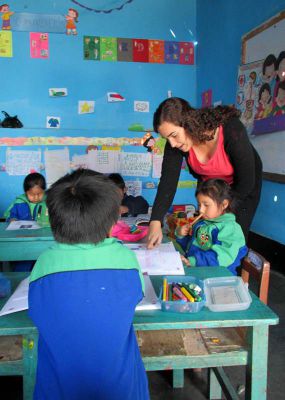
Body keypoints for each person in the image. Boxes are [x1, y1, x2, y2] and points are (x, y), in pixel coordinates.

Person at [28, 169, 149, 400]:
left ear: (54, 221)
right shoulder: (125, 260)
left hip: (58, 388)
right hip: (120, 388)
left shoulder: (43, 263)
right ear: (113, 221)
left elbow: (38, 308)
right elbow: (136, 295)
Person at [147, 97, 262, 248]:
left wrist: (223, 209)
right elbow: (168, 183)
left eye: (174, 135)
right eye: (166, 139)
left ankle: (229, 270)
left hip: (243, 189)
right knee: (204, 236)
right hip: (212, 190)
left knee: (231, 238)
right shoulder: (174, 145)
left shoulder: (231, 130)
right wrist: (155, 221)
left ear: (188, 123)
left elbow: (246, 182)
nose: (172, 144)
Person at [176, 179, 247, 275]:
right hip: (198, 272)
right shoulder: (203, 223)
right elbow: (191, 249)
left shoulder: (231, 229)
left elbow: (219, 257)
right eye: (199, 204)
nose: (201, 210)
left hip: (218, 279)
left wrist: (193, 261)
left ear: (224, 204)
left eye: (206, 205)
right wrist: (181, 235)